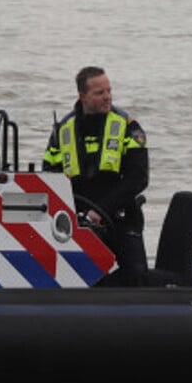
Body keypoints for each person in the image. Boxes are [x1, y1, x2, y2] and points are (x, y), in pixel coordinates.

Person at [43, 65, 149, 285]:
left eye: (109, 91)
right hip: (76, 222)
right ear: (83, 96)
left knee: (137, 276)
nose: (107, 97)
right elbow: (49, 178)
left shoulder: (127, 126)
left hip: (120, 217)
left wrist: (100, 211)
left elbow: (138, 178)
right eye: (100, 93)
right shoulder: (63, 130)